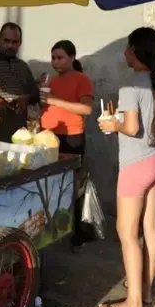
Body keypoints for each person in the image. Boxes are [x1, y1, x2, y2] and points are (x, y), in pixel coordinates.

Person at [97, 27, 155, 307]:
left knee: (126, 233)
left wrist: (113, 124)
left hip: (135, 166)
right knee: (150, 227)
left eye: (127, 48)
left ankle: (134, 303)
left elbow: (131, 129)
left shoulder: (130, 87)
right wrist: (149, 126)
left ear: (134, 50)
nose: (124, 53)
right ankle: (144, 291)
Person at [39, 40, 94, 246]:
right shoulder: (50, 81)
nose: (56, 62)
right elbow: (47, 104)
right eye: (53, 58)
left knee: (72, 185)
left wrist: (53, 100)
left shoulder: (82, 80)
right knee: (52, 185)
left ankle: (78, 232)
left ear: (72, 57)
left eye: (60, 57)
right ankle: (54, 227)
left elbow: (86, 109)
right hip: (49, 136)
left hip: (71, 137)